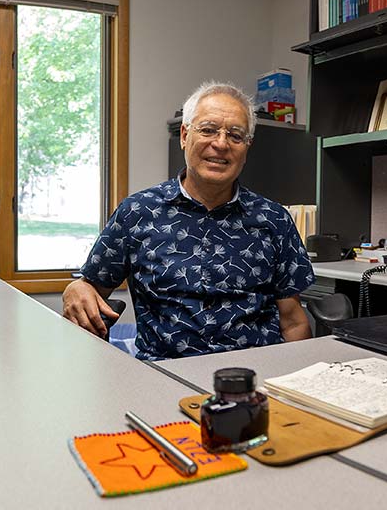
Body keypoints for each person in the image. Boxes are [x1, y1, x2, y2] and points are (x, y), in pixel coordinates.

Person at [62, 81, 315, 360]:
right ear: (184, 135)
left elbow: (292, 321)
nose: (220, 144)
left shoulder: (274, 219)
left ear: (247, 147)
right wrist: (77, 288)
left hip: (251, 376)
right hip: (165, 375)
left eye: (235, 135)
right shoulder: (137, 212)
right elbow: (90, 288)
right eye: (207, 130)